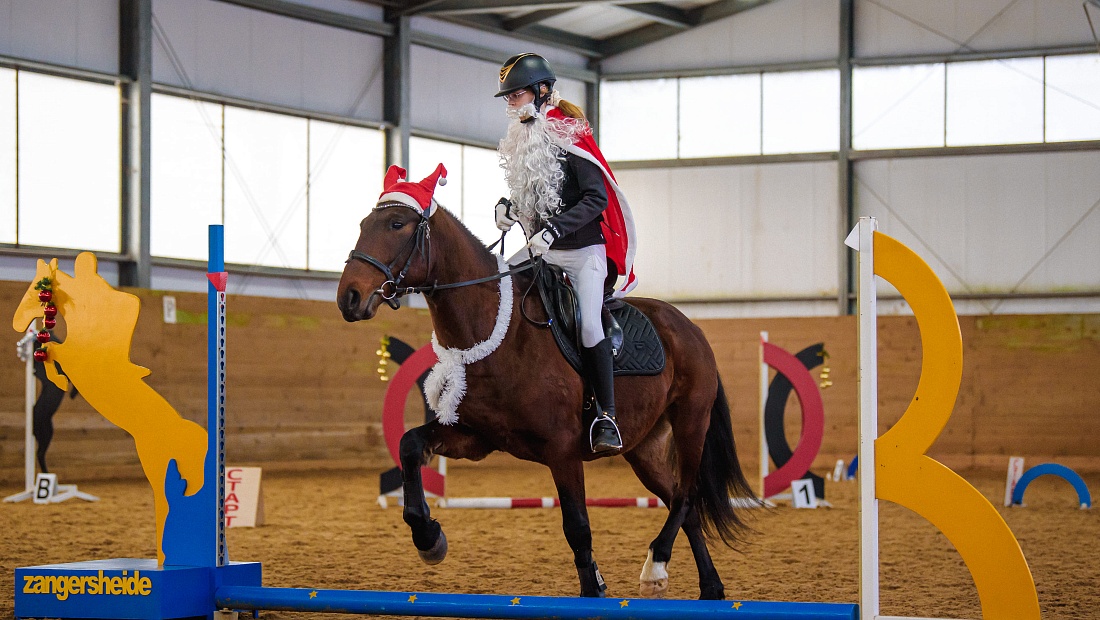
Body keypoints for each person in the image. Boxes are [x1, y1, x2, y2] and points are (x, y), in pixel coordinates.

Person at [492, 52, 638, 454]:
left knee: (590, 325)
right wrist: (506, 207)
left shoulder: (569, 135)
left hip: (581, 252)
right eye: (508, 97)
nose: (510, 103)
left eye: (516, 94)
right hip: (543, 251)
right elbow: (533, 195)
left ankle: (607, 417)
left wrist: (554, 230)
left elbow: (596, 197)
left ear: (541, 92)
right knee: (497, 282)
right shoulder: (524, 140)